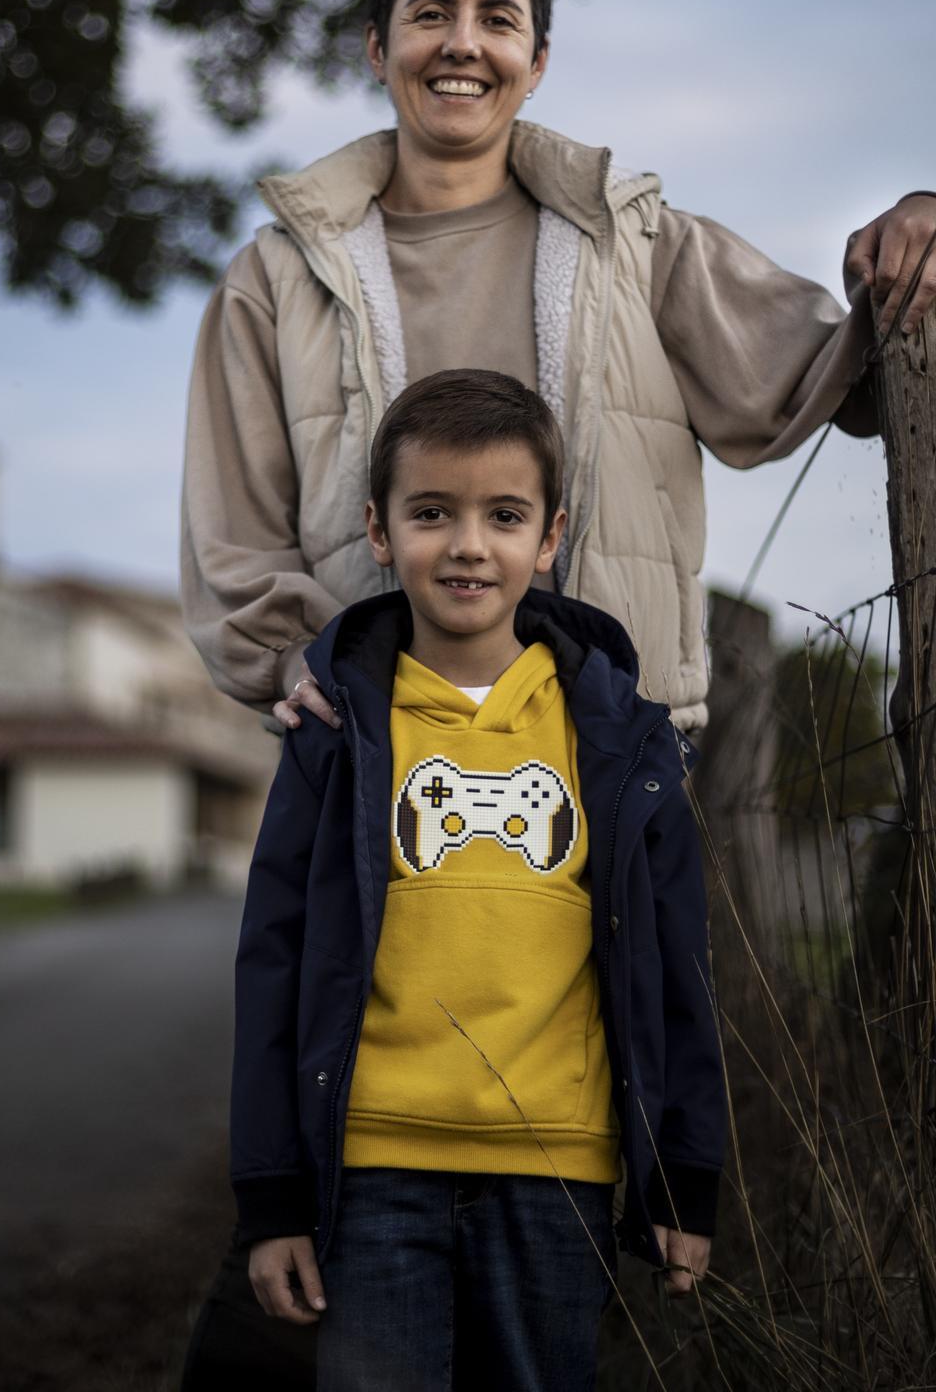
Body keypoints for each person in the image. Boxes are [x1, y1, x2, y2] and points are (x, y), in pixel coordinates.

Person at [181, 0, 935, 742]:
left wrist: (915, 234)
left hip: (616, 750)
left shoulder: (634, 243)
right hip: (373, 752)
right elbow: (235, 545)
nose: (462, 42)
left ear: (535, 61)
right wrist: (301, 664)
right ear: (377, 47)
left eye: (496, 18)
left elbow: (843, 374)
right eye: (430, 12)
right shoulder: (275, 279)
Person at [231, 369, 724, 1392]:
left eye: (503, 516)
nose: (467, 544)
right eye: (431, 513)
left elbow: (678, 969)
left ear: (549, 538)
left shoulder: (622, 741)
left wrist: (683, 1177)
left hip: (558, 1173)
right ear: (378, 530)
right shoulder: (335, 733)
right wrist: (272, 1197)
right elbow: (272, 966)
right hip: (370, 1172)